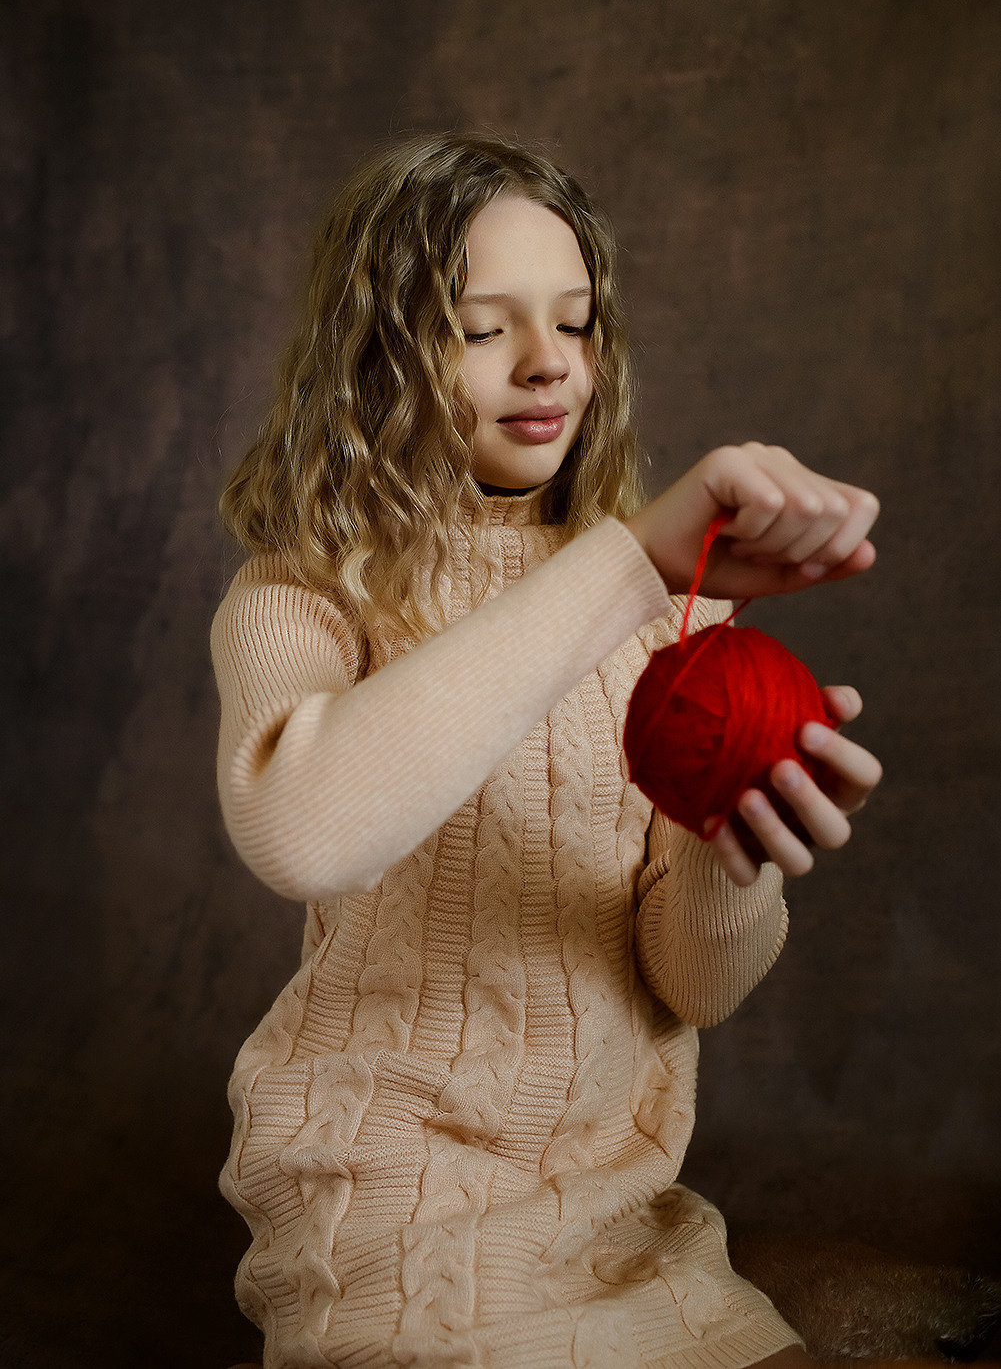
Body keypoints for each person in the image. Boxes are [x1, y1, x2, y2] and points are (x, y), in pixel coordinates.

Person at [212, 132, 882, 1369]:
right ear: (376, 357)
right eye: (480, 329)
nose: (545, 367)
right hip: (394, 1216)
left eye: (572, 324)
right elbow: (302, 828)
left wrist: (734, 846)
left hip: (621, 1215)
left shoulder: (667, 617)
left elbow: (693, 988)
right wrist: (628, 561)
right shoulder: (301, 597)